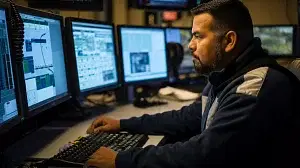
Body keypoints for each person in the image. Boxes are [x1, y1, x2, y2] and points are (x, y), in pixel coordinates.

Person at [86, 0, 300, 167]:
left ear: (229, 41)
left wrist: (122, 160)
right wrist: (123, 124)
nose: (190, 45)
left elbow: (203, 154)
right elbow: (189, 116)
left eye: (198, 36)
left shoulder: (254, 87)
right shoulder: (227, 74)